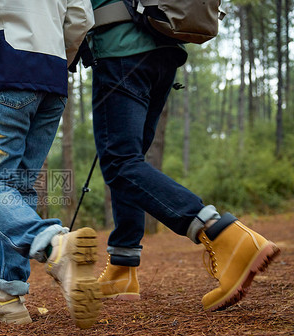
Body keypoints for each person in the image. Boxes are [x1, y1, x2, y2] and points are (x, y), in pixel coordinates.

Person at [87, 0, 281, 311]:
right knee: (130, 160)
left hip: (121, 47)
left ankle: (222, 233)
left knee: (120, 163)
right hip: (164, 48)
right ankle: (122, 268)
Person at [0, 0, 100, 328]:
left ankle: (54, 244)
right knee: (17, 188)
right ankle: (7, 297)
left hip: (3, 74)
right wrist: (57, 58)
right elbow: (81, 17)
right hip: (52, 82)